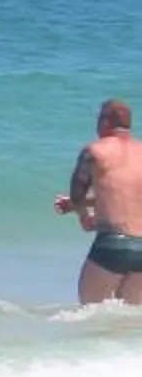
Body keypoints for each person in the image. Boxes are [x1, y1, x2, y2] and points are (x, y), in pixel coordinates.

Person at [54, 98, 142, 306]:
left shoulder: (94, 151)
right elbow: (125, 194)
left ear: (105, 122)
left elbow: (77, 194)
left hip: (112, 245)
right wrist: (79, 205)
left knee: (89, 312)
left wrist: (83, 216)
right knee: (131, 318)